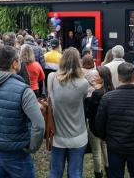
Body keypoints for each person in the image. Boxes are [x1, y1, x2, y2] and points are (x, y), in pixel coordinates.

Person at [0, 45, 44, 177]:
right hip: (17, 153)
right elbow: (39, 125)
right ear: (14, 63)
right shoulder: (24, 90)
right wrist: (32, 147)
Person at [95, 62, 134, 178]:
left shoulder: (108, 98)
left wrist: (107, 138)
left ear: (118, 77)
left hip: (115, 146)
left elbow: (99, 124)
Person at [48, 47, 89, 178]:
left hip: (57, 136)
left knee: (55, 172)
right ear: (79, 62)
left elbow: (51, 98)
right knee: (75, 173)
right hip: (78, 135)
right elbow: (81, 101)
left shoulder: (51, 78)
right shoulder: (83, 83)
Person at [85, 66, 114, 178]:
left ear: (102, 78)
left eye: (97, 75)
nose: (95, 76)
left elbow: (89, 112)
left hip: (94, 126)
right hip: (107, 126)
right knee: (105, 147)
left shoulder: (96, 93)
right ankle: (109, 170)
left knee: (96, 152)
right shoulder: (112, 90)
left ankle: (98, 173)